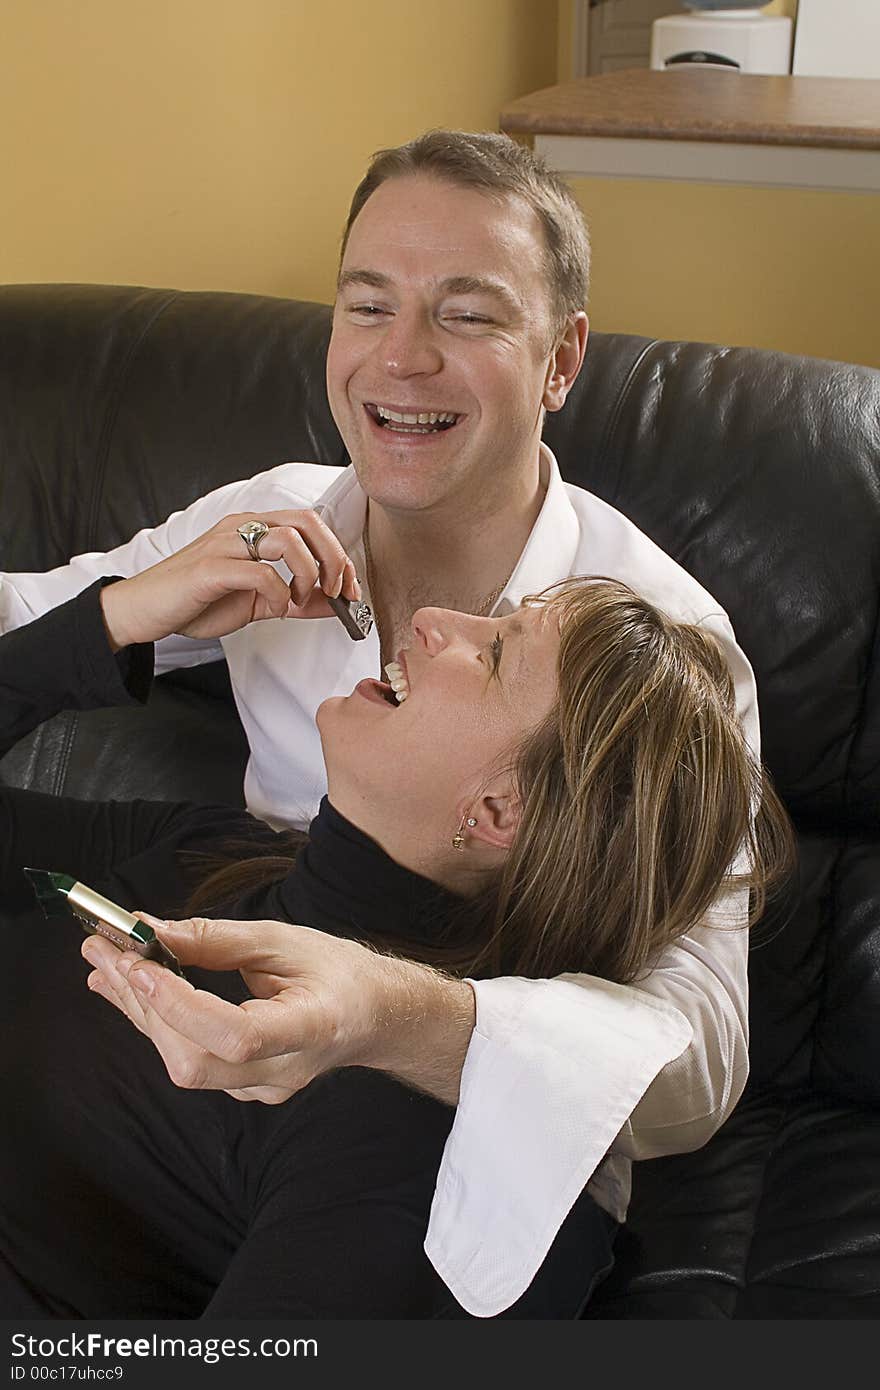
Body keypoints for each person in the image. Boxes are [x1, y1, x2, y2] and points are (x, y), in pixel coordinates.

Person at [0, 130, 766, 1316]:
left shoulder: (660, 647)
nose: (399, 359)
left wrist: (388, 1013)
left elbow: (697, 1051)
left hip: (403, 1088)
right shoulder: (274, 518)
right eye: (368, 305)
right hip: (217, 941)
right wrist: (126, 613)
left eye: (466, 315)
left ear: (561, 359)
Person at [0, 567, 788, 1318]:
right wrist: (113, 621)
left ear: (499, 813)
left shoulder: (420, 1153)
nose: (431, 619)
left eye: (496, 652)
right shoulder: (214, 850)